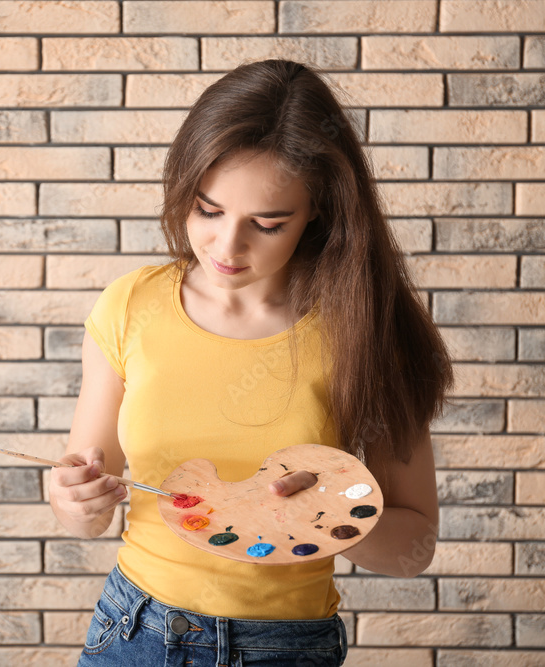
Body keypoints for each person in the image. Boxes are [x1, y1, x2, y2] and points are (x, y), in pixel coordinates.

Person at [48, 59, 453, 667]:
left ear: (318, 209)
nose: (225, 248)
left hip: (283, 648)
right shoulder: (130, 305)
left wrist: (325, 519)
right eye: (207, 211)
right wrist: (73, 501)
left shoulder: (366, 333)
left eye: (266, 224)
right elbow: (85, 510)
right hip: (134, 630)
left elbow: (414, 546)